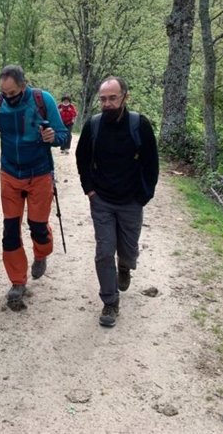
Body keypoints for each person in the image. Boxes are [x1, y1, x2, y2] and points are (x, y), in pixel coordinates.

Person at [0, 65, 69, 310]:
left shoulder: (42, 99)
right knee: (10, 231)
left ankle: (41, 253)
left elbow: (63, 135)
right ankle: (17, 283)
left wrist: (53, 138)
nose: (7, 97)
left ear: (23, 85)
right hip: (10, 173)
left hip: (39, 173)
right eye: (3, 93)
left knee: (38, 228)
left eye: (11, 92)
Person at [75, 76, 159, 328]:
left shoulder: (139, 125)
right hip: (101, 199)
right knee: (103, 251)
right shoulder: (94, 125)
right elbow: (82, 158)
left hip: (131, 201)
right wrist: (89, 189)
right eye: (103, 99)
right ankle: (110, 301)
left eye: (113, 98)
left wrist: (144, 195)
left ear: (125, 97)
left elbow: (151, 163)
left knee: (128, 249)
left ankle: (125, 266)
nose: (107, 103)